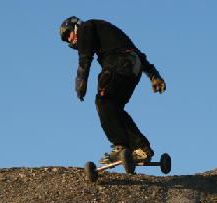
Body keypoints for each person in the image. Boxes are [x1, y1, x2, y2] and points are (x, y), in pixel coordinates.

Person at [59, 16, 166, 164]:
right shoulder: (107, 31)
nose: (70, 40)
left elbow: (85, 57)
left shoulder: (85, 28)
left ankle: (120, 146)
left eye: (68, 35)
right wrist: (154, 75)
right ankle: (141, 148)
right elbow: (136, 51)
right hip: (134, 66)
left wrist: (81, 81)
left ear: (75, 27)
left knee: (103, 102)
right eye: (66, 40)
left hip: (118, 62)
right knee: (114, 108)